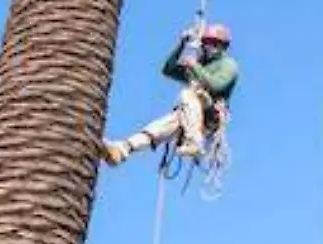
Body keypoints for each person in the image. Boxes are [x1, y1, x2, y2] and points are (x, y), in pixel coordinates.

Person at [103, 23, 240, 167]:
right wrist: (182, 45)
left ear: (222, 46)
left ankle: (194, 141)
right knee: (161, 126)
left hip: (210, 113)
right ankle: (124, 148)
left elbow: (216, 85)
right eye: (205, 42)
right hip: (191, 115)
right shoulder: (201, 66)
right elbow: (169, 70)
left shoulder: (228, 64)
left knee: (188, 94)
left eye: (212, 43)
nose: (207, 46)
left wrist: (194, 66)